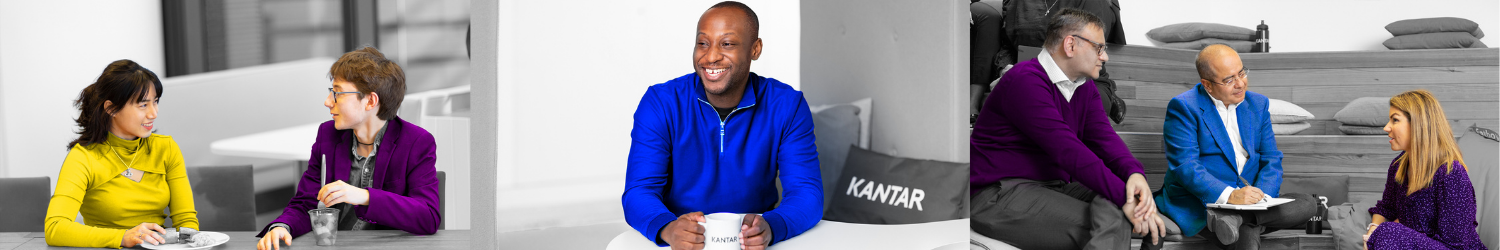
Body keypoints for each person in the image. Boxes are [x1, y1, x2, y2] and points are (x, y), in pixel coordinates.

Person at [622, 2, 821, 250]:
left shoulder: (787, 105)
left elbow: (807, 193)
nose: (711, 56)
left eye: (727, 44)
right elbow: (639, 191)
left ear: (755, 49)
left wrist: (772, 227)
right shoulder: (660, 103)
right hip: (681, 241)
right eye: (703, 43)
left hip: (754, 243)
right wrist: (668, 228)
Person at [969, 8, 1165, 250]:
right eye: (1099, 48)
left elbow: (1105, 139)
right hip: (999, 193)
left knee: (1139, 211)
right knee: (1114, 223)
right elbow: (1068, 150)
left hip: (1054, 186)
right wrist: (1126, 200)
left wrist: (1134, 175)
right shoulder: (1024, 80)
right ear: (1070, 45)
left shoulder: (1084, 87)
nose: (1105, 57)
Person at [256, 47, 441, 250]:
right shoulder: (328, 135)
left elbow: (428, 216)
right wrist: (283, 226)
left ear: (370, 101)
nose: (328, 102)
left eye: (337, 93)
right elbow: (306, 203)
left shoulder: (416, 142)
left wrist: (364, 196)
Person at [1156, 44, 1318, 250]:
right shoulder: (1184, 107)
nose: (1240, 84)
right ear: (1207, 85)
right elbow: (1185, 167)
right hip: (1203, 202)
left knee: (1307, 204)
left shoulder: (1258, 104)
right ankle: (1240, 220)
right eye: (1229, 80)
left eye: (1241, 73)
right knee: (1245, 238)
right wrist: (1230, 196)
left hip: (1249, 199)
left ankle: (1239, 218)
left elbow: (1271, 158)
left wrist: (1261, 197)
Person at [45, 59, 201, 248]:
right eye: (143, 105)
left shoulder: (166, 148)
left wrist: (194, 242)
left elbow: (186, 220)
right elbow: (55, 228)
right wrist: (123, 237)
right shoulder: (83, 157)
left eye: (155, 102)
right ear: (111, 108)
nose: (154, 113)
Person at [1364, 90, 1485, 249]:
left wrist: (1387, 234)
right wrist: (1373, 230)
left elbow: (1457, 245)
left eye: (1395, 120)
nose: (1386, 127)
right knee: (1384, 231)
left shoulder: (1451, 173)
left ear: (1418, 124)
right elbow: (1386, 208)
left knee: (1388, 232)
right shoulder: (1398, 166)